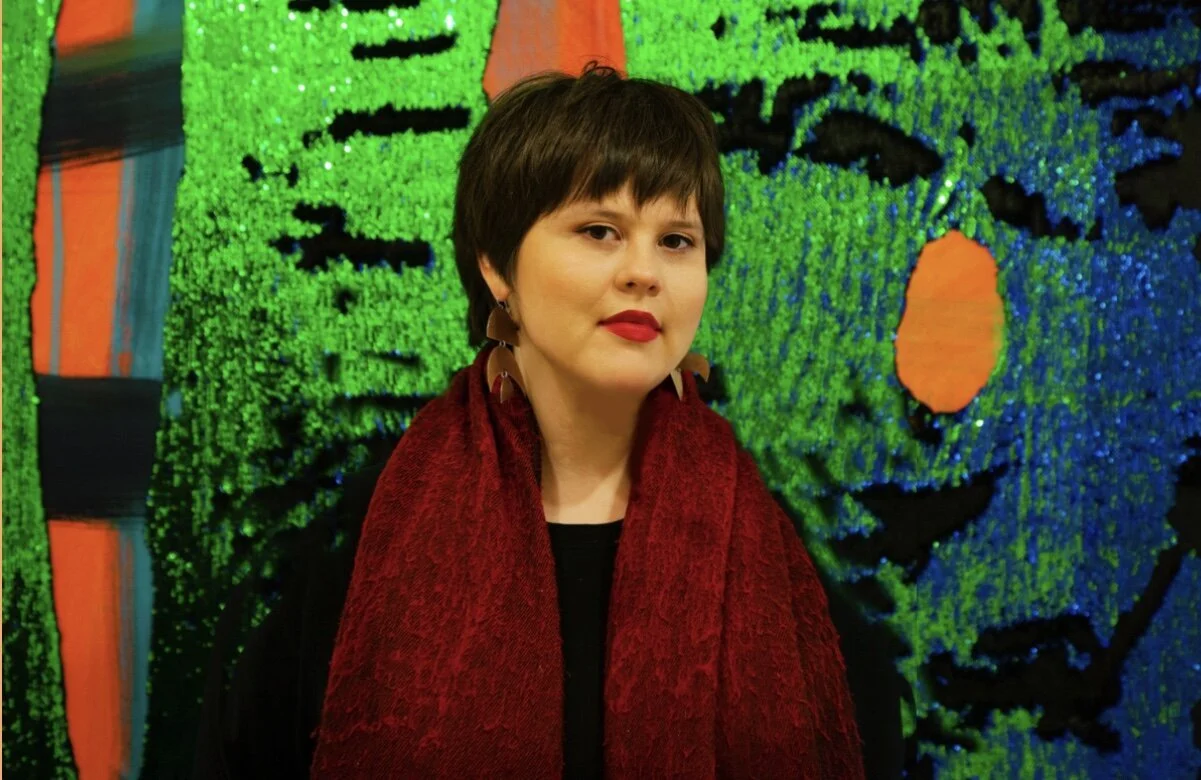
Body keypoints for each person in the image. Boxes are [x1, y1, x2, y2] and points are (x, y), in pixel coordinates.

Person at [193, 62, 865, 779]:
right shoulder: (365, 533)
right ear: (497, 266)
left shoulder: (763, 542)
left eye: (676, 240)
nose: (644, 272)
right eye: (600, 230)